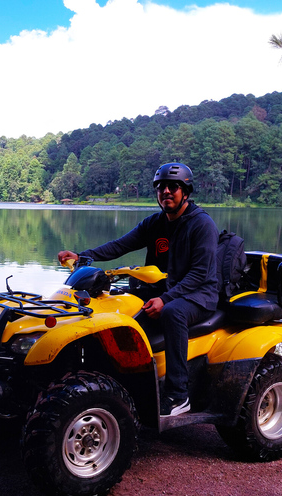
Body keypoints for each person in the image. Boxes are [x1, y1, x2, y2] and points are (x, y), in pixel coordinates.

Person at [58, 162, 218, 417]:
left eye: (173, 187)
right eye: (161, 187)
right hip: (164, 289)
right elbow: (120, 245)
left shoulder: (201, 224)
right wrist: (82, 255)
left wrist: (165, 299)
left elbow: (200, 274)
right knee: (120, 314)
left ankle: (179, 396)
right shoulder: (155, 223)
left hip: (198, 293)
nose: (166, 191)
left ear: (185, 191)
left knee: (173, 313)